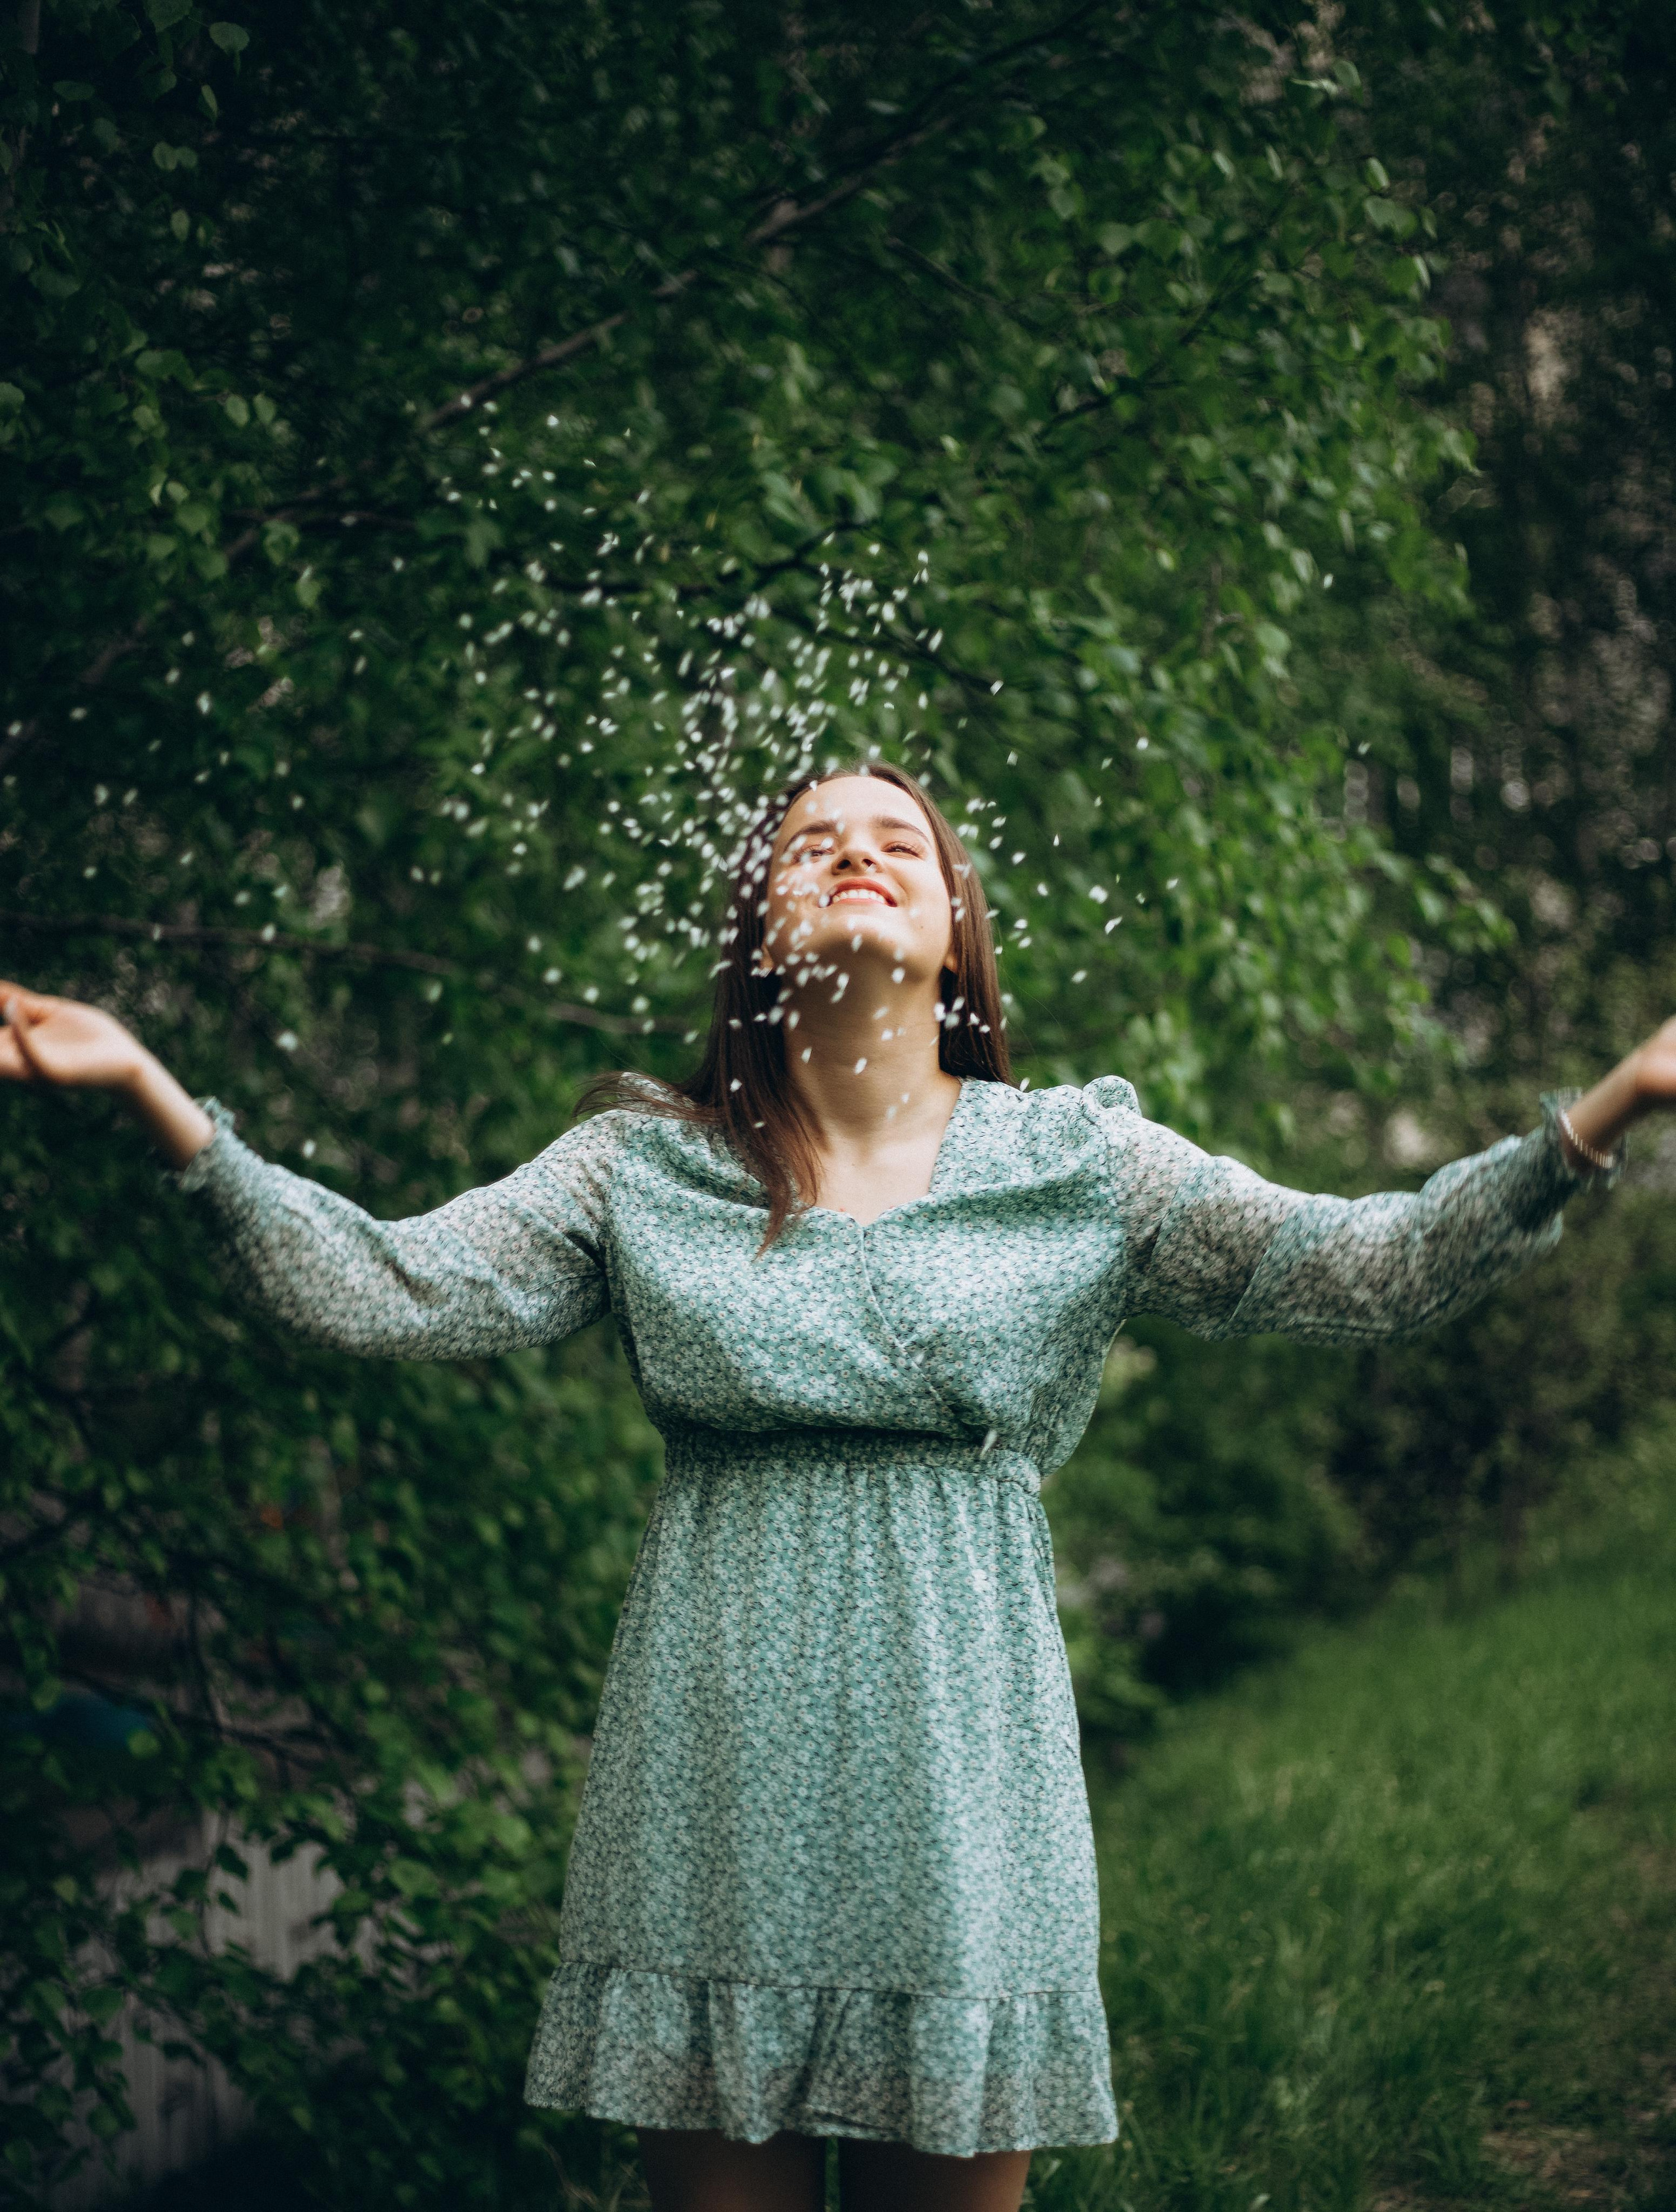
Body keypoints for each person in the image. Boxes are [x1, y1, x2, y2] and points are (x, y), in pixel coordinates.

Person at [2, 762, 1669, 2212]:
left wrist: (1599, 1116)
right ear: (756, 928)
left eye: (898, 837)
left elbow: (1360, 1268)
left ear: (954, 926)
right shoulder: (643, 1166)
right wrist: (166, 1104)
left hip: (962, 1790)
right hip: (709, 1792)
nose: (857, 851)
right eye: (811, 840)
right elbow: (386, 1283)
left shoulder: (1079, 1162)